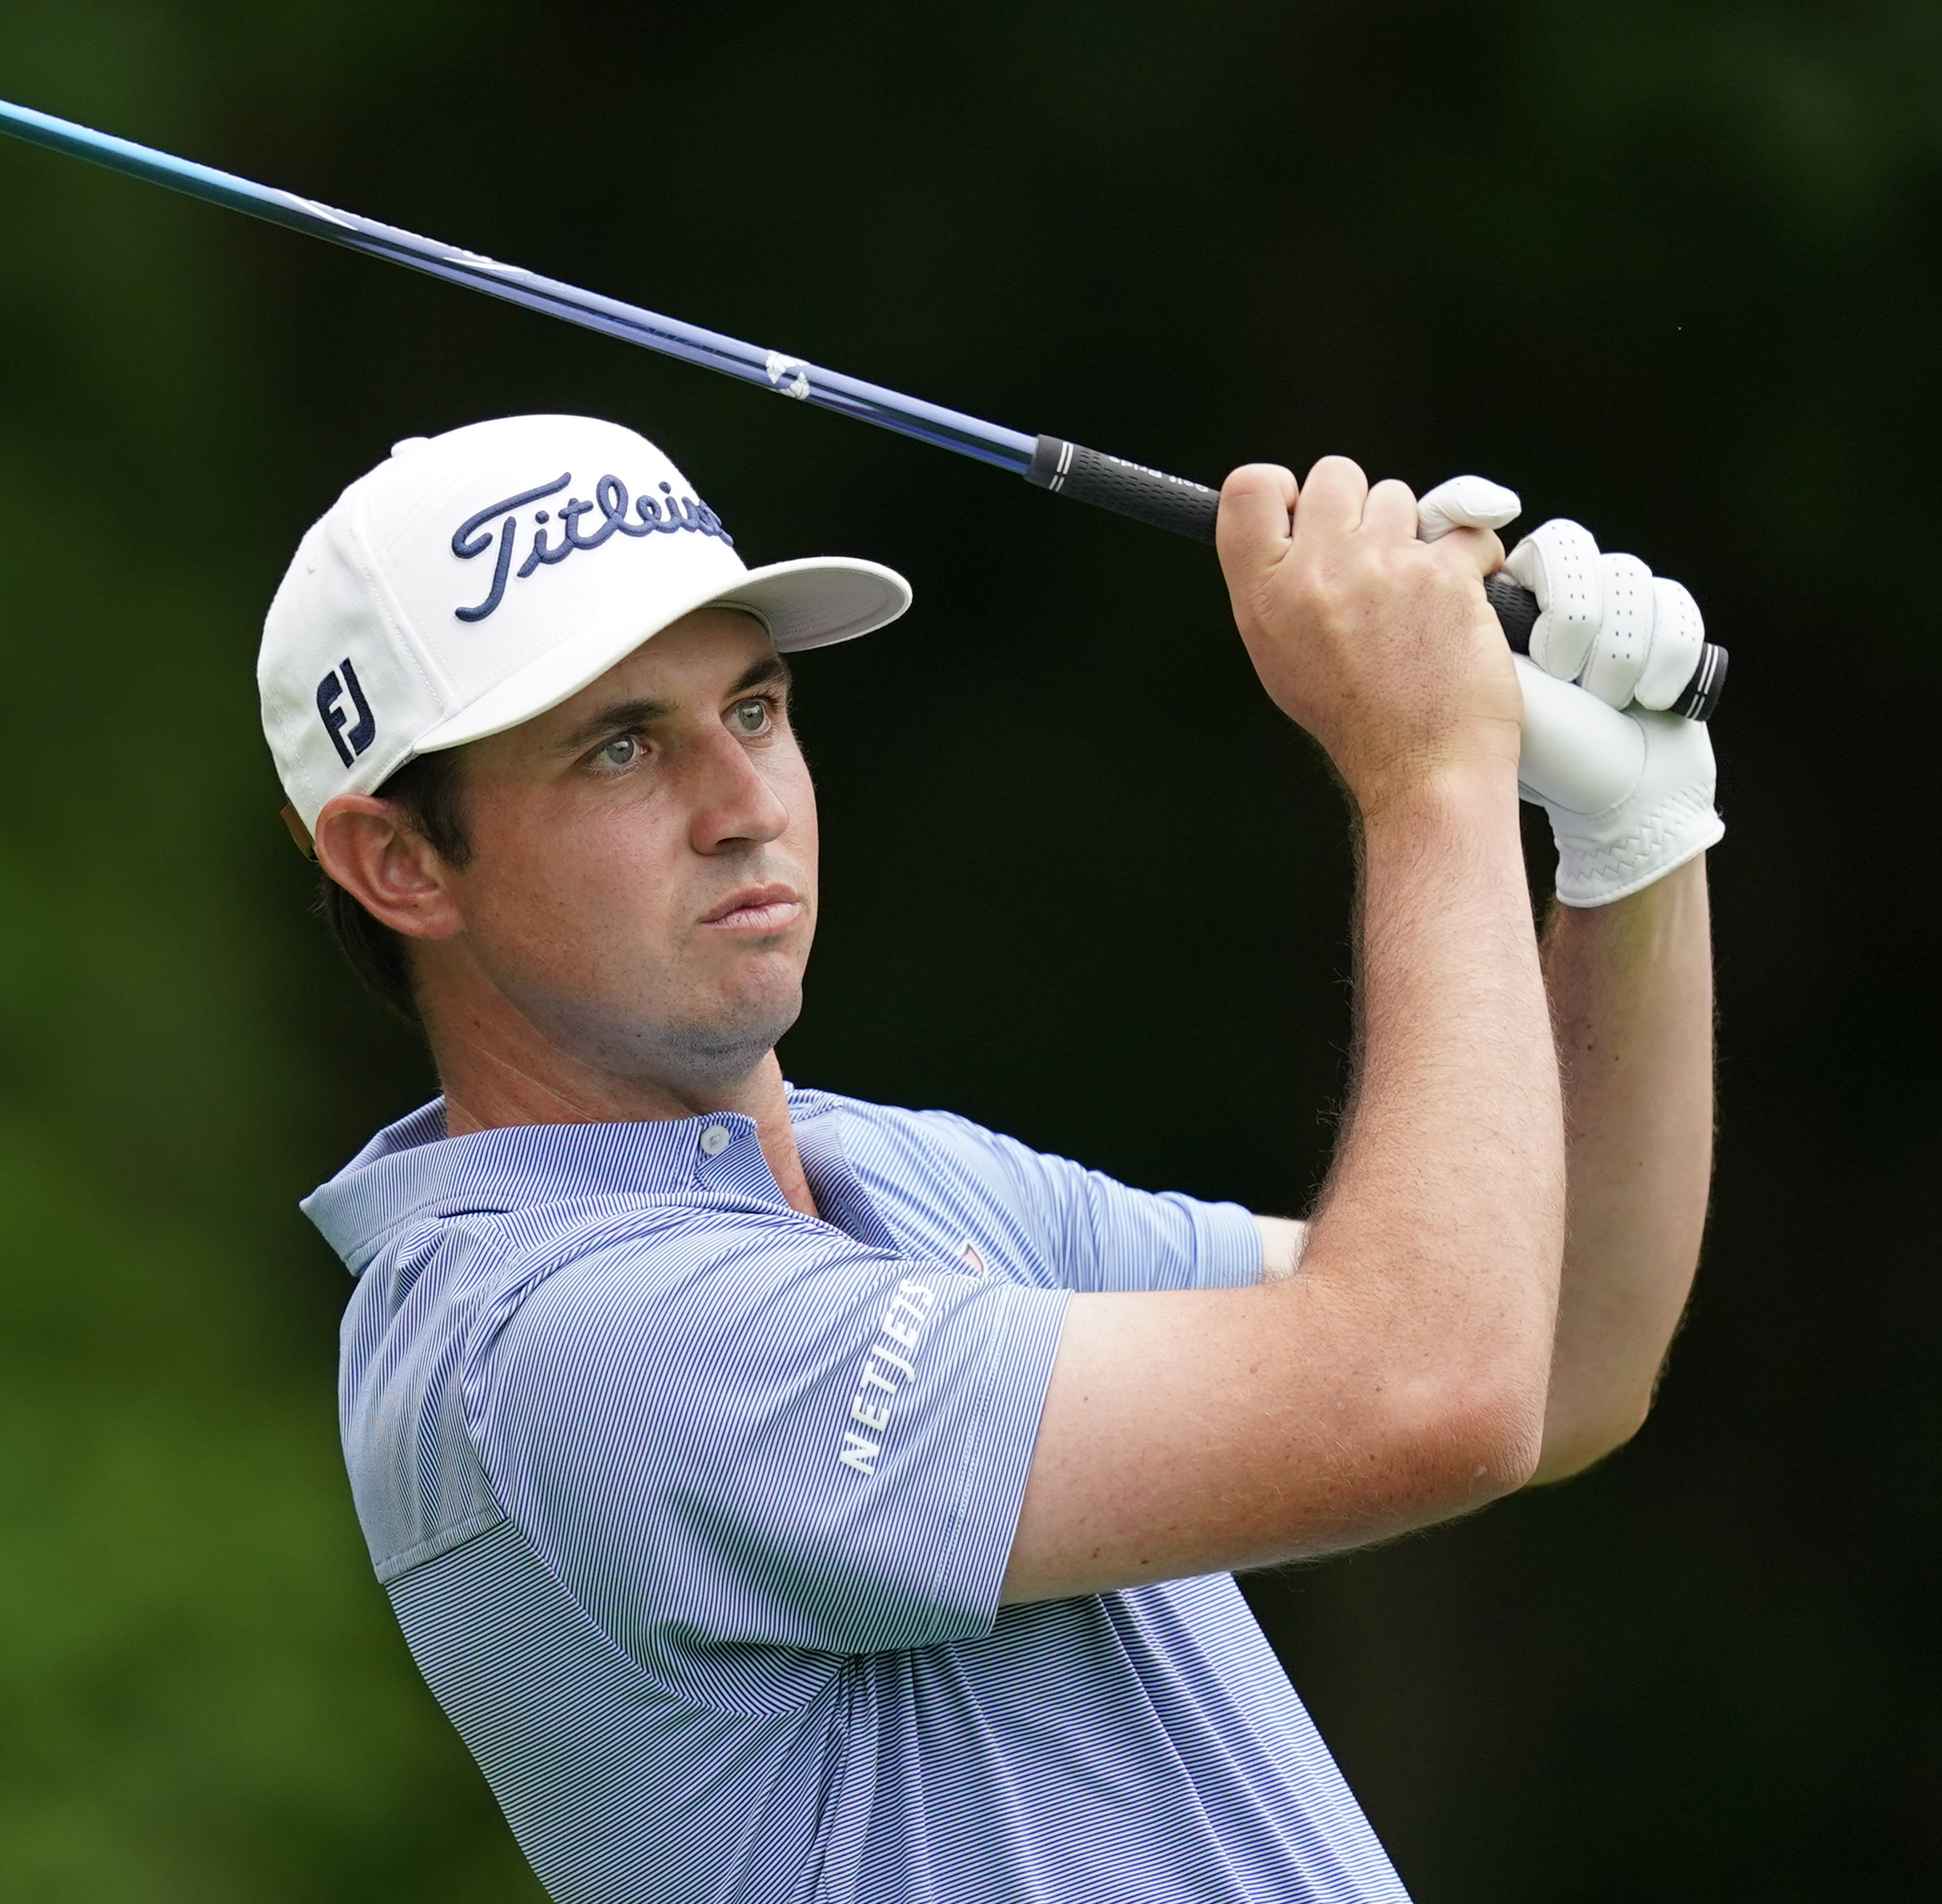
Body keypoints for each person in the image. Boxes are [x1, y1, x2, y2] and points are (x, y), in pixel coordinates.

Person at [260, 414, 1716, 1902]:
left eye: (754, 711)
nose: (745, 806)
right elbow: (1429, 1386)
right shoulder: (560, 1338)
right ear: (400, 863)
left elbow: (1554, 1353)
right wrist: (1434, 777)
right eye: (622, 749)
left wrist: (1633, 848)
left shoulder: (890, 1177)